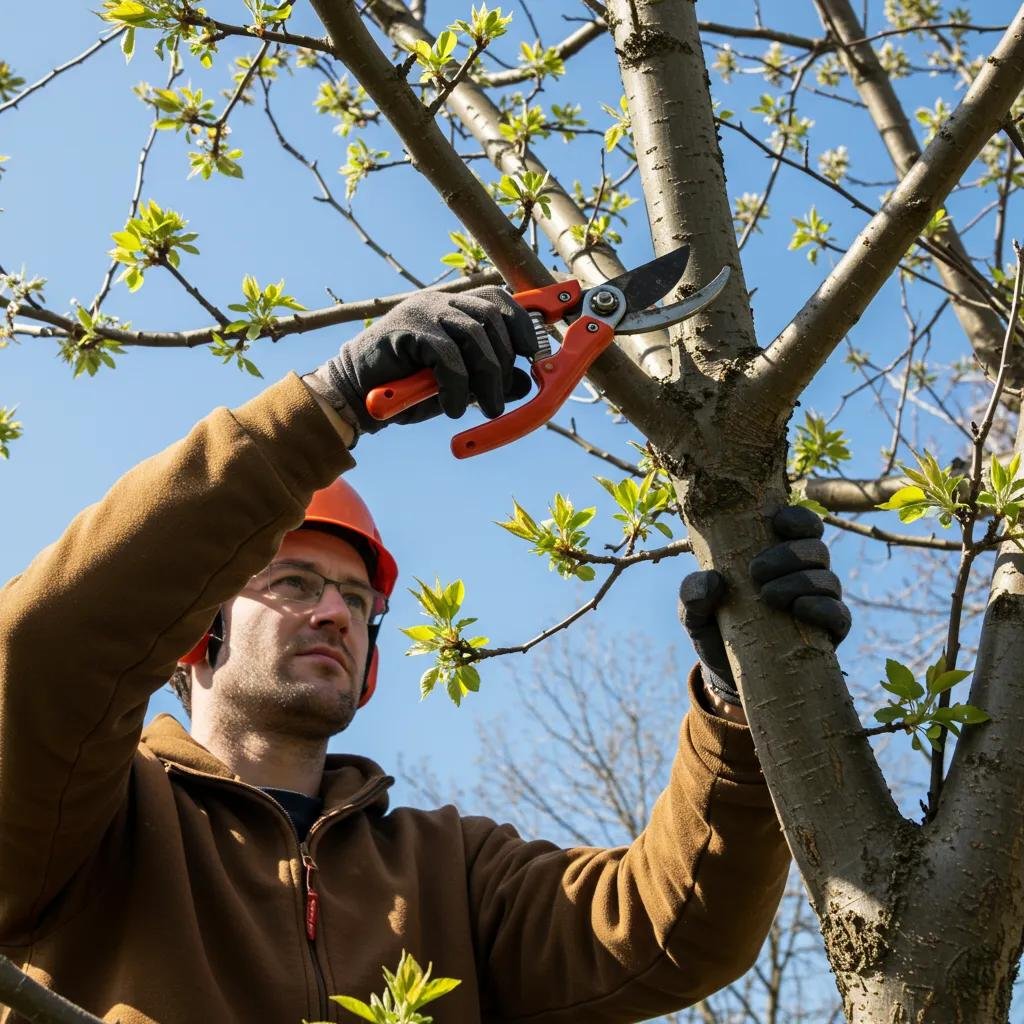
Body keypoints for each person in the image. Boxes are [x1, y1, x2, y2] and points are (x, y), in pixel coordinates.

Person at [0, 287, 849, 1024]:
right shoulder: (85, 816)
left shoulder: (447, 871)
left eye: (359, 601)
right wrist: (323, 406)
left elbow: (670, 930)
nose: (335, 612)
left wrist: (743, 703)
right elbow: (42, 651)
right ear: (196, 632)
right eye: (294, 583)